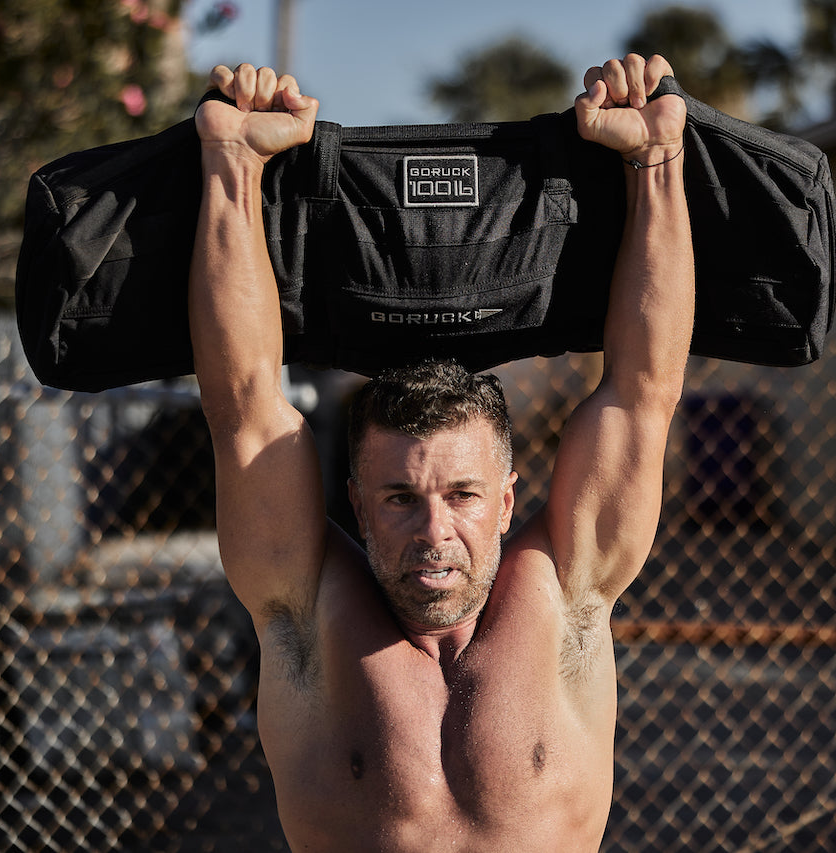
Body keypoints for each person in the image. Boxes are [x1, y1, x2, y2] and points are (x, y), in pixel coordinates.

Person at [189, 52, 694, 851]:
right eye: (399, 498)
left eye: (462, 494)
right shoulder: (305, 609)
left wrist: (655, 157)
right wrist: (234, 162)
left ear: (504, 499)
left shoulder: (568, 592)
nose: (434, 530)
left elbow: (643, 392)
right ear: (355, 501)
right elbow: (242, 406)